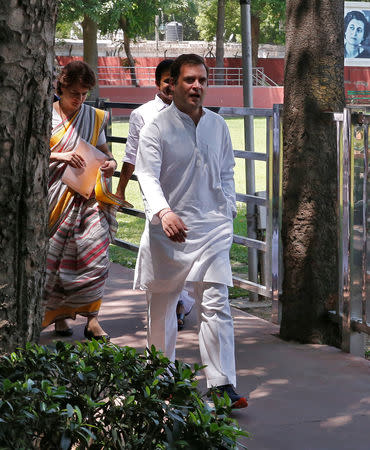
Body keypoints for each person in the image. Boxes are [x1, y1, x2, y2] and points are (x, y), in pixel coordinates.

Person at [134, 54, 247, 409]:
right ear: (175, 83)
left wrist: (227, 210)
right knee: (163, 306)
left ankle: (221, 383)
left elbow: (227, 171)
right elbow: (147, 176)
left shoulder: (218, 126)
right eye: (188, 80)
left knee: (216, 303)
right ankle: (161, 379)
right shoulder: (156, 127)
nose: (196, 86)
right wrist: (163, 212)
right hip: (169, 232)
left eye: (201, 80)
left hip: (212, 229)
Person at [42, 60, 120, 340]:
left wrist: (110, 164)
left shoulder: (93, 117)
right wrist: (59, 156)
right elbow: (32, 153)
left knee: (95, 256)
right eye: (75, 93)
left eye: (85, 94)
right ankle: (60, 318)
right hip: (55, 200)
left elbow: (105, 153)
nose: (80, 99)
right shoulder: (45, 116)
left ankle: (93, 318)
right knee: (58, 261)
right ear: (60, 87)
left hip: (89, 199)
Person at [115, 59, 195, 330]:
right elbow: (131, 156)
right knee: (162, 250)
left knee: (187, 246)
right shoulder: (143, 114)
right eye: (167, 82)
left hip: (188, 193)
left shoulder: (194, 112)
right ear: (158, 82)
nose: (172, 87)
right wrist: (121, 188)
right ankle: (167, 306)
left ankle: (181, 302)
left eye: (177, 81)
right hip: (157, 192)